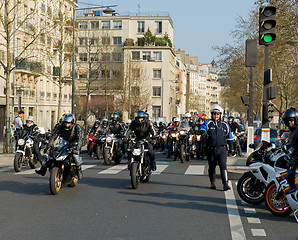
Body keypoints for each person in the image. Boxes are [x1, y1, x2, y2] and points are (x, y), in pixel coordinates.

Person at [36, 113, 83, 179]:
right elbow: (54, 135)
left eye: (68, 123)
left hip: (73, 143)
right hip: (63, 143)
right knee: (49, 155)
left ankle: (78, 169)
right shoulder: (60, 126)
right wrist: (48, 145)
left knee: (75, 156)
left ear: (72, 122)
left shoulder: (77, 127)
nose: (66, 125)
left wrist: (77, 148)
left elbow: (80, 139)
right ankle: (43, 169)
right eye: (65, 123)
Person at [200, 104, 233, 191]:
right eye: (214, 114)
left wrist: (232, 148)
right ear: (212, 114)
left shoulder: (225, 125)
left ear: (220, 115)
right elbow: (202, 128)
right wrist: (204, 133)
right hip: (211, 149)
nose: (216, 115)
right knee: (212, 166)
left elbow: (229, 137)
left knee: (223, 166)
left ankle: (225, 184)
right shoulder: (208, 123)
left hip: (222, 149)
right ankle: (212, 182)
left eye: (217, 114)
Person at [282, 107, 298, 188]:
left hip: (296, 160)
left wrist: (294, 156)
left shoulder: (297, 131)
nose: (289, 122)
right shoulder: (292, 131)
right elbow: (292, 144)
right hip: (294, 159)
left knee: (292, 176)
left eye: (291, 120)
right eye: (287, 121)